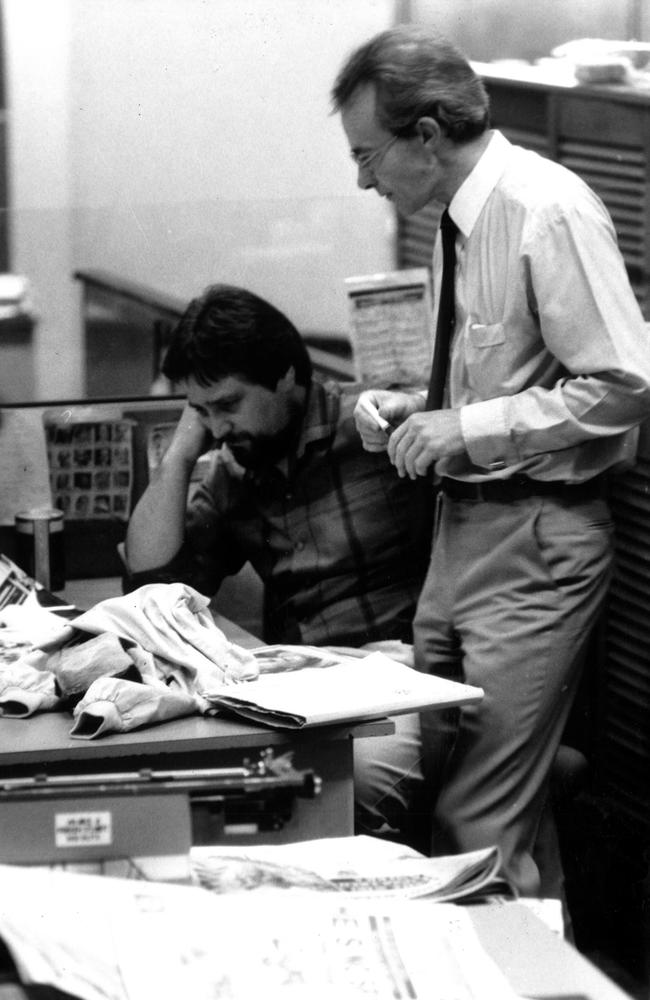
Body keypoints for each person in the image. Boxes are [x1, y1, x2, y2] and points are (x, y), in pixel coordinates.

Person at [331, 25, 650, 898]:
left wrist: (464, 430)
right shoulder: (458, 223)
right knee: (483, 809)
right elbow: (500, 378)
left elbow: (626, 383)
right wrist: (420, 412)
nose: (363, 179)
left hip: (534, 543)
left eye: (369, 155)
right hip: (463, 536)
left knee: (476, 826)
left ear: (427, 135)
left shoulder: (545, 209)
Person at [124, 283, 425, 652]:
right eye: (201, 411)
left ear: (283, 375)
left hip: (403, 672)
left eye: (228, 405)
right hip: (299, 683)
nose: (216, 429)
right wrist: (179, 456)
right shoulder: (233, 471)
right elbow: (152, 587)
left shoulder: (373, 426)